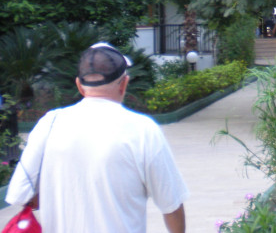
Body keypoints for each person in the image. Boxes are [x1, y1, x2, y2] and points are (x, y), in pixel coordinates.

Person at [4, 42, 189, 233]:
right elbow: (172, 205)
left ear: (79, 85)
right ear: (124, 84)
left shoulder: (49, 123)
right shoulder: (143, 130)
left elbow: (19, 194)